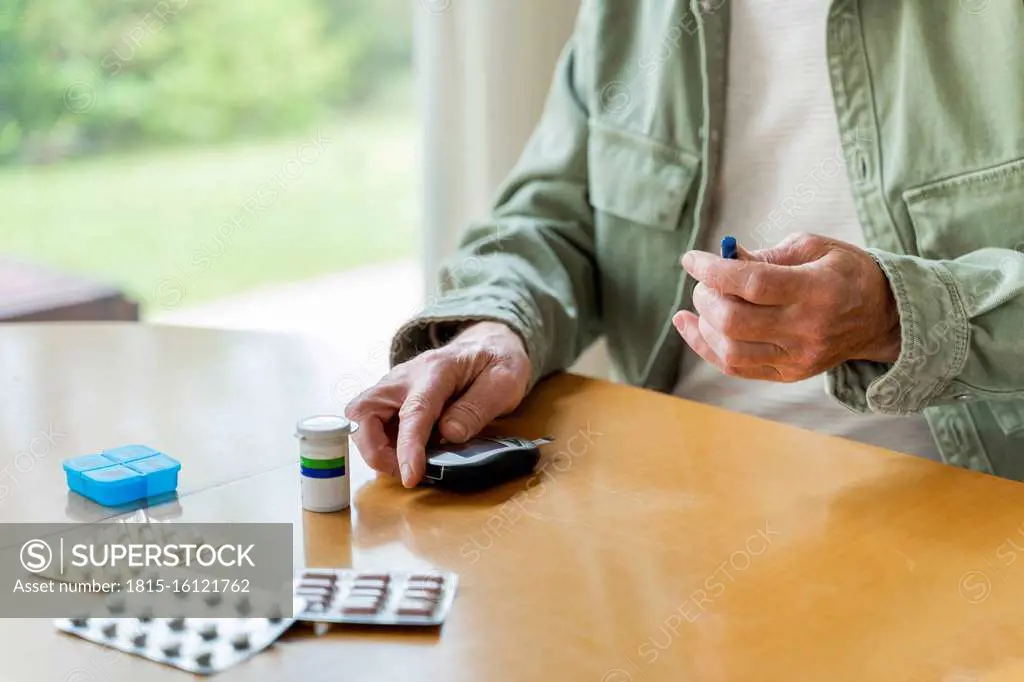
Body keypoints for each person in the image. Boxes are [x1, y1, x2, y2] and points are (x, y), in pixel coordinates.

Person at [347, 0, 1024, 487]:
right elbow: (557, 215)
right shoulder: (632, 16)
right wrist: (494, 328)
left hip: (958, 508)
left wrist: (896, 318)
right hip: (666, 501)